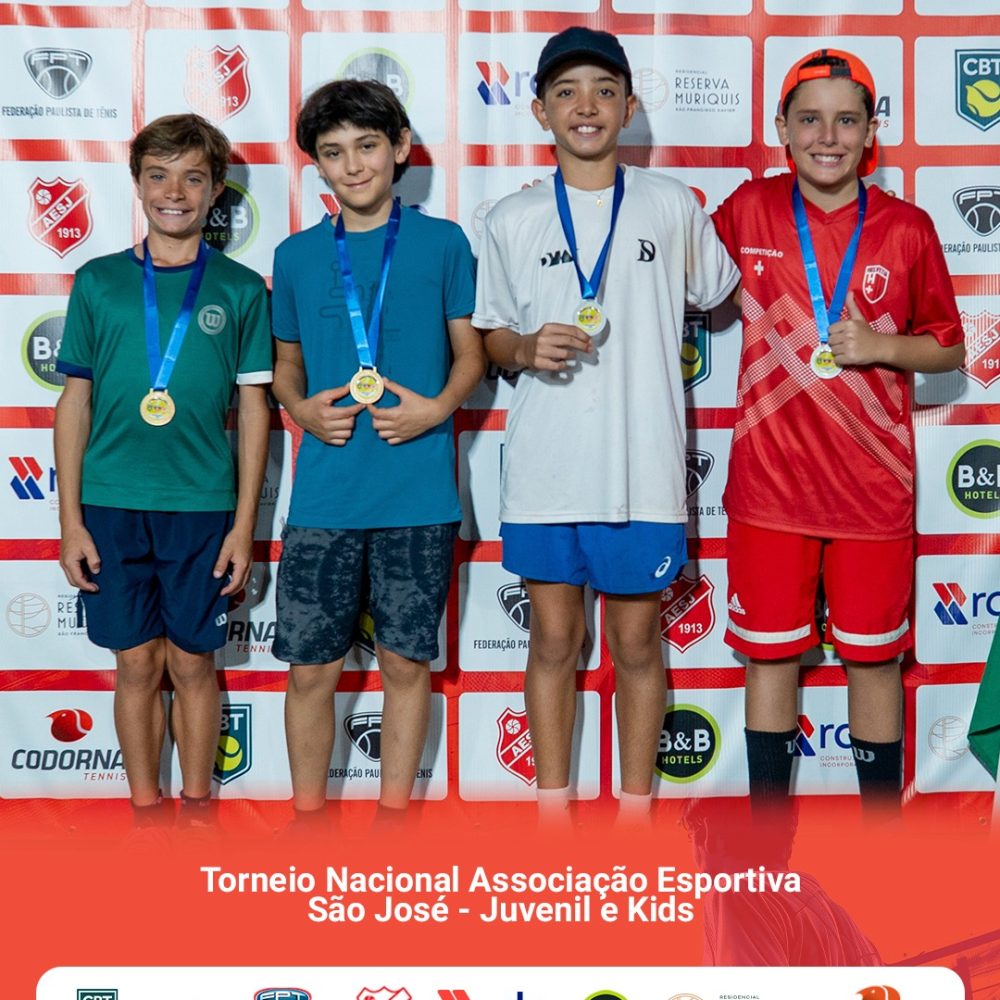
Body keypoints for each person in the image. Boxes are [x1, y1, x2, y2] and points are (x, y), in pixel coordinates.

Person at [473, 26, 739, 824]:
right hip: (546, 473)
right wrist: (524, 347)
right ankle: (553, 816)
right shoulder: (510, 216)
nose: (585, 106)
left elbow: (719, 291)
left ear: (628, 105)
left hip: (643, 471)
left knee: (637, 646)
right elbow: (492, 336)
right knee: (553, 643)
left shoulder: (671, 203)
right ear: (539, 111)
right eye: (566, 92)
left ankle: (634, 817)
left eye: (602, 90)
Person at [712, 49, 965, 817]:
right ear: (781, 128)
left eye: (846, 120)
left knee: (874, 664)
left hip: (871, 492)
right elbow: (669, 266)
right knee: (769, 662)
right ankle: (767, 844)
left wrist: (883, 346)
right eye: (811, 119)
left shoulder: (907, 227)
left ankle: (877, 845)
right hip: (769, 490)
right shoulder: (748, 209)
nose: (828, 136)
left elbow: (949, 349)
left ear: (871, 132)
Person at [271, 79, 485, 828]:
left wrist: (437, 407)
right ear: (317, 166)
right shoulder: (296, 255)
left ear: (399, 148)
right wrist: (299, 409)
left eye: (367, 146)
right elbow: (286, 364)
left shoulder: (443, 243)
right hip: (325, 497)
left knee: (404, 664)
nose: (353, 165)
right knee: (311, 670)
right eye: (334, 153)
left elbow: (471, 354)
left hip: (416, 494)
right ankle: (308, 822)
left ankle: (395, 823)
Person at [55, 113, 273, 831]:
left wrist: (243, 527)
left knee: (193, 664)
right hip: (111, 505)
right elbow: (75, 403)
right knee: (136, 665)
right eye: (158, 176)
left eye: (192, 178)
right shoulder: (99, 281)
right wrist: (70, 522)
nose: (174, 192)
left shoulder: (241, 289)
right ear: (137, 183)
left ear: (216, 191)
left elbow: (254, 413)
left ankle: (200, 811)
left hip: (201, 508)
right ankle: (147, 816)